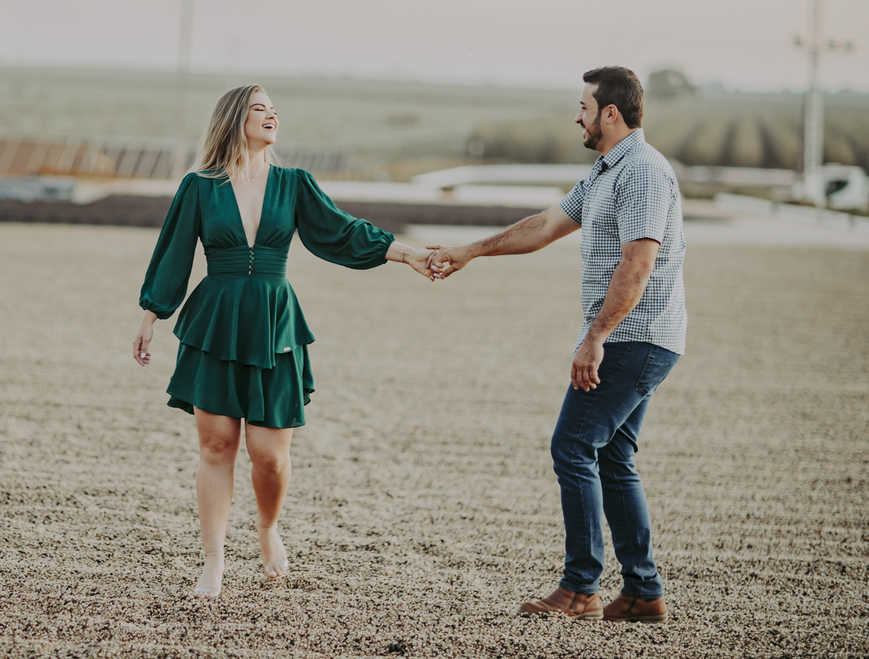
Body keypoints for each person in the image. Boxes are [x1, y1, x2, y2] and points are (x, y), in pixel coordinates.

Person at [134, 84, 434, 598]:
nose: (271, 115)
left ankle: (268, 529)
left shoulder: (295, 184)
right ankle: (213, 561)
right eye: (259, 109)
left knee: (269, 453)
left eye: (274, 110)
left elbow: (341, 233)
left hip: (275, 322)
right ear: (234, 119)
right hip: (216, 319)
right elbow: (174, 250)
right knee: (217, 444)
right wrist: (150, 315)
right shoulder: (199, 185)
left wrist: (407, 255)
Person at [427, 67, 687, 623]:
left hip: (632, 338)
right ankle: (643, 592)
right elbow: (546, 225)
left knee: (572, 447)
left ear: (610, 113)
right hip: (637, 338)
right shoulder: (605, 171)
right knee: (613, 457)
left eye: (584, 106)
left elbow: (638, 263)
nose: (578, 116)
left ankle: (581, 588)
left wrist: (595, 337)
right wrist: (471, 250)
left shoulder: (640, 171)